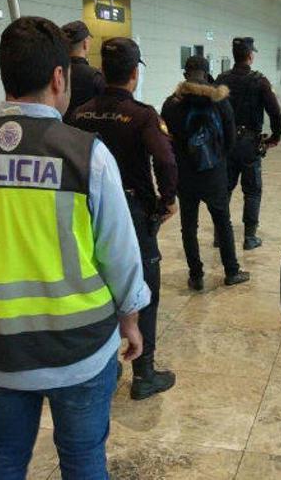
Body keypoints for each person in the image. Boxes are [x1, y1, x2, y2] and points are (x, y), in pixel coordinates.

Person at [0, 17, 147, 479]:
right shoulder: (85, 155)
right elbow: (120, 255)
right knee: (82, 459)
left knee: (5, 452)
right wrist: (131, 320)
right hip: (79, 349)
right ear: (59, 78)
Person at [68, 37, 178, 401]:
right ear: (134, 73)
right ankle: (144, 373)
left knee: (97, 286)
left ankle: (106, 366)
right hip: (131, 212)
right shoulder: (143, 115)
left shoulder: (79, 113)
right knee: (142, 288)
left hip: (84, 212)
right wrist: (167, 200)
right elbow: (165, 160)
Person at [162, 55, 251, 290]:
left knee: (189, 226)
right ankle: (231, 271)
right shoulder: (220, 101)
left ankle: (196, 276)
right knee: (223, 221)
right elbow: (230, 139)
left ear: (185, 74)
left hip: (185, 174)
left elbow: (167, 142)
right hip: (214, 173)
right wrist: (217, 158)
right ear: (208, 72)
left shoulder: (171, 104)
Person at [215, 37, 281, 250]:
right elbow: (274, 111)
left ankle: (220, 236)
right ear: (250, 56)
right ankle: (250, 237)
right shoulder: (259, 81)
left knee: (225, 189)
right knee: (252, 191)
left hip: (227, 142)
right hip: (250, 143)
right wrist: (276, 135)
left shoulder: (221, 79)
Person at [61, 20, 106, 121]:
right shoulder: (96, 76)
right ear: (85, 43)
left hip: (58, 132)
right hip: (89, 133)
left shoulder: (55, 74)